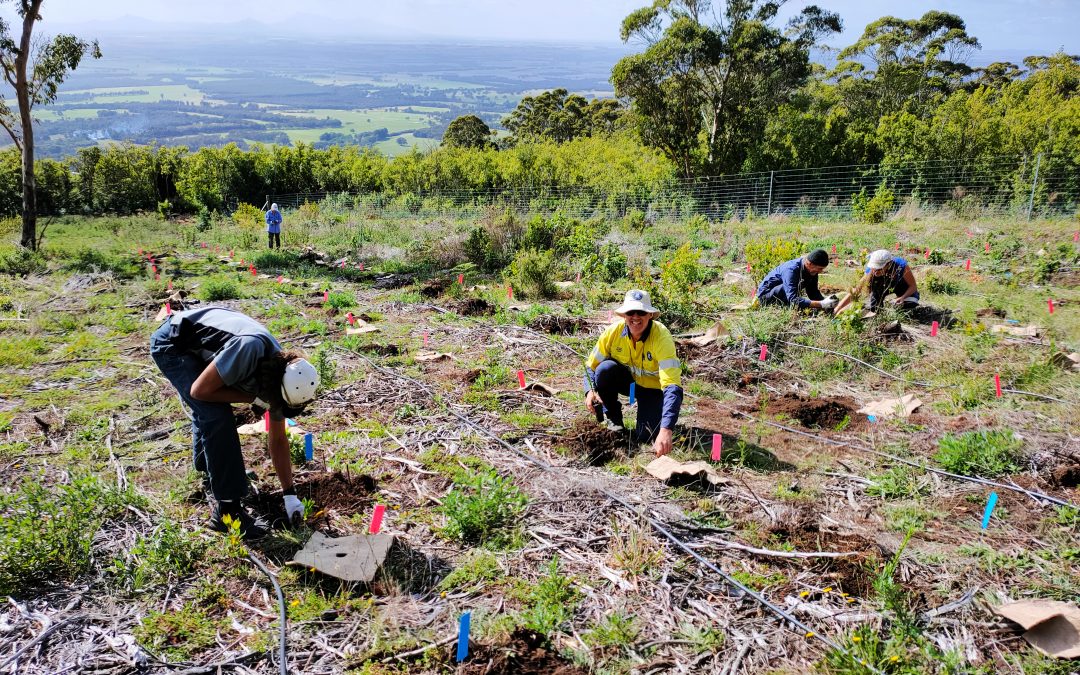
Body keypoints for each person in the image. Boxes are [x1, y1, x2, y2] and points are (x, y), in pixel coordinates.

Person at [150, 307, 319, 540]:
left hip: (201, 342)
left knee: (213, 409)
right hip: (174, 343)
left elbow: (278, 438)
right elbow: (199, 391)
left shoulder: (283, 373)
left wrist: (289, 493)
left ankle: (211, 472)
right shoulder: (249, 352)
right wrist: (252, 398)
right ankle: (227, 512)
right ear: (275, 390)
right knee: (216, 415)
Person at [585, 290, 683, 457]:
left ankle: (656, 420)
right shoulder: (613, 332)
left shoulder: (661, 337)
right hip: (629, 384)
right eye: (631, 312)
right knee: (605, 369)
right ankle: (614, 422)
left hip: (653, 390)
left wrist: (666, 430)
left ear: (650, 315)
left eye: (641, 312)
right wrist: (589, 391)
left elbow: (672, 386)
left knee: (647, 436)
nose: (635, 317)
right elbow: (591, 366)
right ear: (624, 315)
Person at [833, 249, 920, 314]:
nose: (876, 271)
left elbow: (913, 287)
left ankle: (897, 304)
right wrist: (838, 307)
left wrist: (903, 297)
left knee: (909, 306)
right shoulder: (871, 270)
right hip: (882, 286)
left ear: (888, 264)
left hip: (900, 287)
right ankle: (878, 307)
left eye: (879, 268)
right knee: (875, 310)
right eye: (874, 268)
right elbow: (856, 290)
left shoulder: (901, 266)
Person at [755, 249, 837, 310]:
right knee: (786, 290)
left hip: (785, 296)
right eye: (819, 268)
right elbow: (793, 299)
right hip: (765, 297)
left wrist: (829, 303)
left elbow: (813, 293)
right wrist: (821, 304)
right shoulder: (791, 270)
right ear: (809, 263)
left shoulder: (812, 271)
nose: (820, 271)